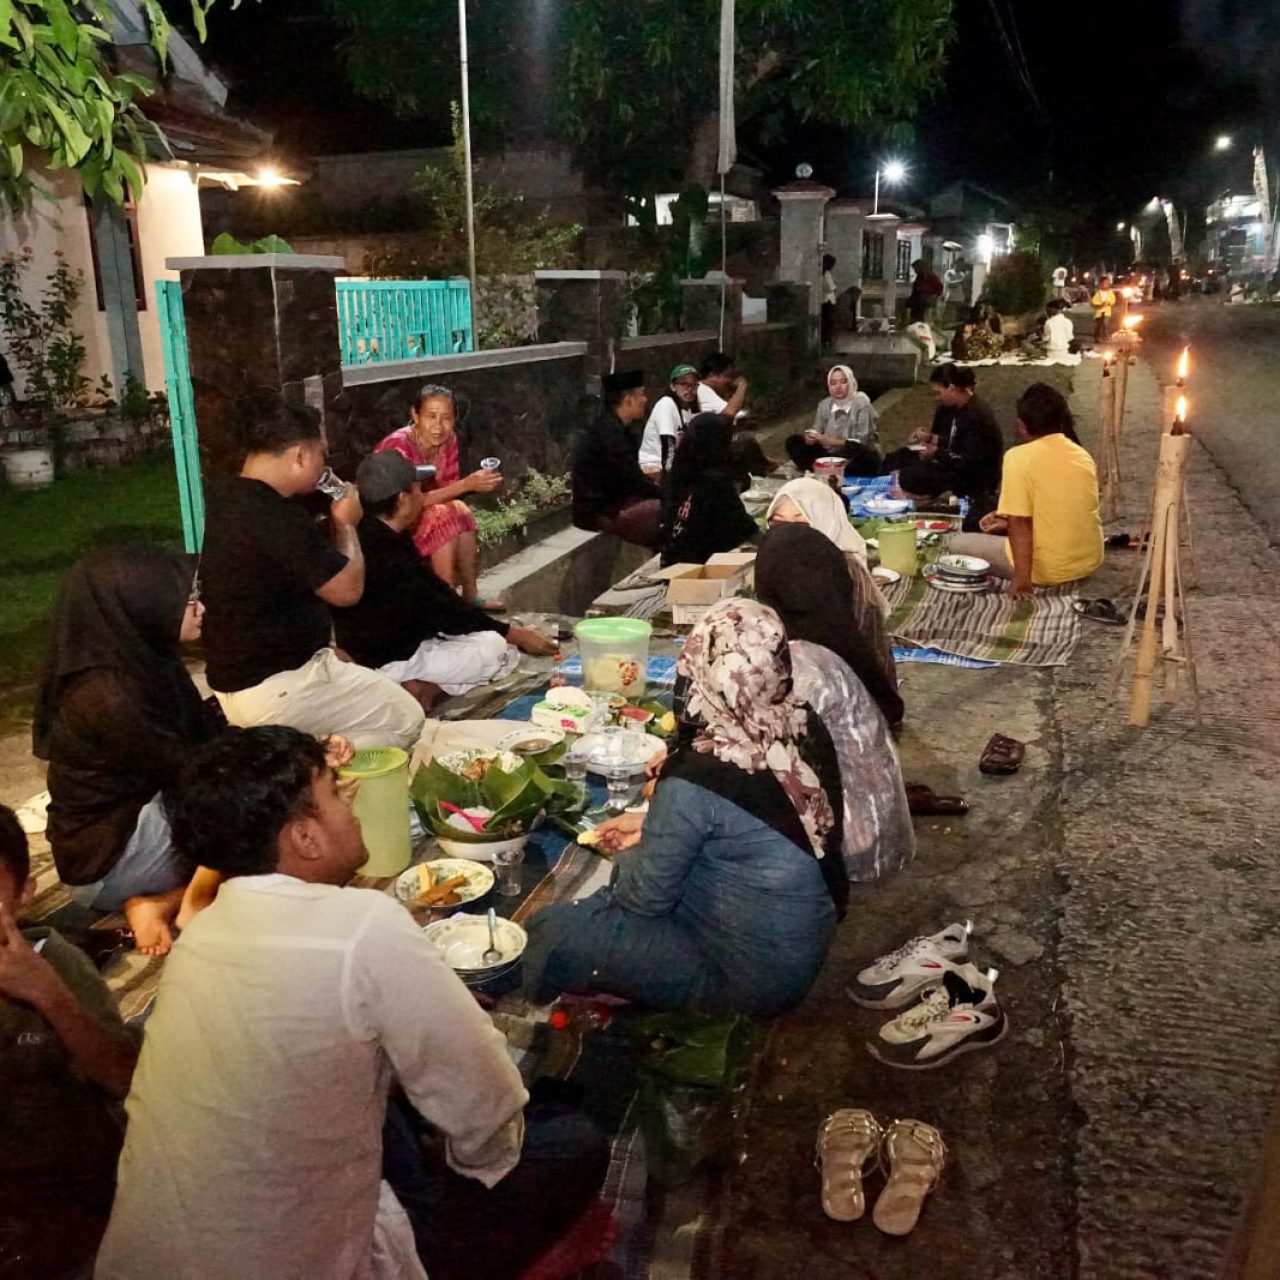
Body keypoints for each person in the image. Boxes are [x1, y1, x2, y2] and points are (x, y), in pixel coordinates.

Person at [96, 726, 608, 1280]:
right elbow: (486, 1104)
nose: (353, 808)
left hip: (146, 1257)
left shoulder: (201, 932)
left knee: (377, 1094)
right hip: (308, 1262)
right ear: (305, 838)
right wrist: (474, 1164)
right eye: (336, 794)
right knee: (572, 1141)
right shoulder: (364, 924)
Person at [525, 599, 846, 1018]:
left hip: (746, 979)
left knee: (556, 931)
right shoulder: (799, 719)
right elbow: (756, 818)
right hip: (801, 944)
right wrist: (653, 826)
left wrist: (640, 848)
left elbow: (643, 900)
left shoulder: (700, 772)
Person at [200, 396, 426, 750]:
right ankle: (310, 760)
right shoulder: (275, 516)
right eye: (322, 454)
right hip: (277, 686)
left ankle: (303, 754)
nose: (325, 465)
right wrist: (346, 524)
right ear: (301, 456)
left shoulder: (228, 497)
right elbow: (347, 591)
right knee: (407, 719)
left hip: (245, 679)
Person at [32, 545, 224, 955]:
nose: (202, 609)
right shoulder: (108, 696)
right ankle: (173, 902)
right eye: (189, 601)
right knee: (268, 827)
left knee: (265, 793)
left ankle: (169, 897)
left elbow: (202, 741)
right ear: (143, 605)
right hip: (112, 861)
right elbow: (195, 772)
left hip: (135, 819)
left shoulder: (141, 658)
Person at [0, 806, 140, 1277]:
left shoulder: (56, 964)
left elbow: (122, 1077)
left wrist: (47, 993)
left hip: (71, 1192)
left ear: (23, 895)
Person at [333, 452, 558, 710]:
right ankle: (424, 689)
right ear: (403, 500)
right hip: (392, 660)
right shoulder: (386, 552)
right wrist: (512, 633)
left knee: (483, 636)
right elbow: (442, 610)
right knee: (497, 649)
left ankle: (415, 686)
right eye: (418, 490)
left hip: (397, 645)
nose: (422, 497)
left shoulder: (372, 533)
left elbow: (437, 594)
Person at [948, 383, 1103, 598]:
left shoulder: (1018, 457)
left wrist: (1022, 580)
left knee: (956, 544)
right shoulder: (1081, 455)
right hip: (1088, 561)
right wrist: (1005, 522)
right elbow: (1064, 509)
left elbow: (1020, 523)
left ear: (1021, 425)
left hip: (1051, 568)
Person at [757, 507, 902, 728]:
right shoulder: (841, 639)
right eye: (778, 522)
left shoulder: (755, 645)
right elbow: (889, 707)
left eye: (800, 521)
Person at [375, 384, 504, 608]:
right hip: (391, 521)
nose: (439, 426)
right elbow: (408, 502)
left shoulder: (448, 440)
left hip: (419, 512)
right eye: (431, 416)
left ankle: (470, 595)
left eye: (446, 418)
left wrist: (472, 485)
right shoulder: (399, 446)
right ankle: (446, 603)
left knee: (460, 511)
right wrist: (466, 484)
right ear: (415, 415)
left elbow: (447, 489)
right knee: (442, 516)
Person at [888, 363, 1005, 530]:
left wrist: (936, 453)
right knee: (901, 458)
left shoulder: (977, 416)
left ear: (951, 388)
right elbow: (952, 441)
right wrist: (930, 439)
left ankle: (924, 499)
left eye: (938, 393)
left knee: (912, 476)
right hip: (955, 463)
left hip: (975, 478)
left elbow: (968, 461)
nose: (937, 398)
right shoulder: (954, 409)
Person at [571, 369, 662, 548]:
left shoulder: (619, 429)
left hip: (615, 504)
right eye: (641, 395)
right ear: (628, 401)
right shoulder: (609, 435)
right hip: (599, 513)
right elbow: (632, 479)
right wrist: (664, 494)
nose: (645, 400)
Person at [661, 413, 759, 567]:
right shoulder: (714, 482)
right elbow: (744, 528)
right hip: (700, 565)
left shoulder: (678, 473)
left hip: (674, 558)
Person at [786, 365, 881, 476]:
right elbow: (817, 429)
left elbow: (862, 442)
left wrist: (832, 441)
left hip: (855, 454)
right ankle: (825, 470)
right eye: (833, 383)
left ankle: (836, 471)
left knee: (864, 456)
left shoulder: (862, 404)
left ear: (851, 382)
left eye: (843, 382)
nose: (838, 387)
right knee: (794, 442)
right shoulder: (824, 404)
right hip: (830, 454)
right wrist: (811, 437)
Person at [638, 364, 699, 477]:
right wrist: (670, 479)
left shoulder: (688, 410)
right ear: (673, 386)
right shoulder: (666, 404)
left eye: (694, 384)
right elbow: (668, 444)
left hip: (668, 466)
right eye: (684, 384)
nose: (690, 389)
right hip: (653, 466)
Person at [697, 351, 748, 418]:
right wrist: (742, 385)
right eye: (727, 375)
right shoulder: (703, 390)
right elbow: (730, 412)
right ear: (711, 375)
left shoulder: (702, 389)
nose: (730, 380)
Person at [907, 258, 943, 324]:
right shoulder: (919, 277)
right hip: (918, 302)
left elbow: (939, 288)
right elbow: (915, 291)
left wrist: (933, 296)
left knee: (924, 320)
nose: (915, 271)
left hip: (926, 302)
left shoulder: (931, 277)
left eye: (915, 269)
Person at [1091, 274, 1116, 344]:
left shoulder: (1110, 292)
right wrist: (1099, 304)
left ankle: (1105, 337)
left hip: (1107, 311)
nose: (1106, 285)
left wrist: (1109, 303)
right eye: (1104, 284)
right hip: (1099, 312)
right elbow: (1094, 301)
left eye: (1107, 283)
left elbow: (1113, 300)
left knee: (1106, 324)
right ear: (1100, 284)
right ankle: (1097, 337)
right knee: (1098, 325)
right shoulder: (1098, 293)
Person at [821, 253, 838, 349]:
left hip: (823, 301)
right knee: (829, 323)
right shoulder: (826, 274)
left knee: (825, 324)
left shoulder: (821, 273)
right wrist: (835, 288)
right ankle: (828, 342)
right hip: (828, 301)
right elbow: (829, 288)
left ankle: (826, 341)